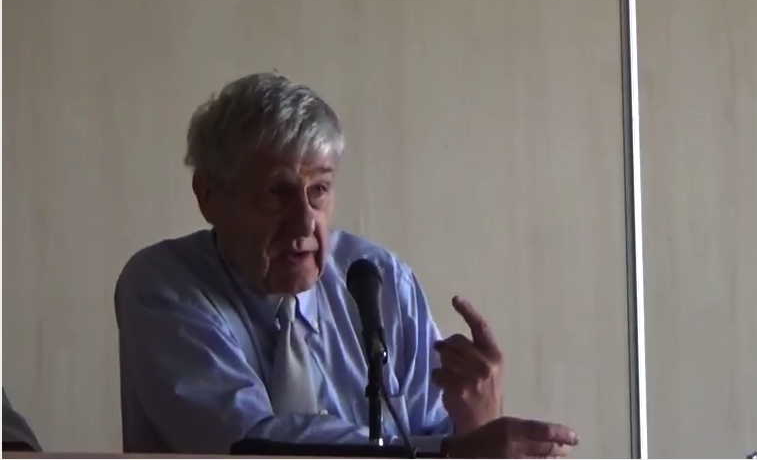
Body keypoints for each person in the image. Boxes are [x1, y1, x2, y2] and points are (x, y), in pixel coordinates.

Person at [114, 72, 578, 456]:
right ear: (209, 196)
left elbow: (447, 441)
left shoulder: (379, 279)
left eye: (319, 190)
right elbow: (248, 443)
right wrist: (449, 453)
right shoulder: (163, 285)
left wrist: (478, 422)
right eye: (277, 193)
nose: (305, 221)